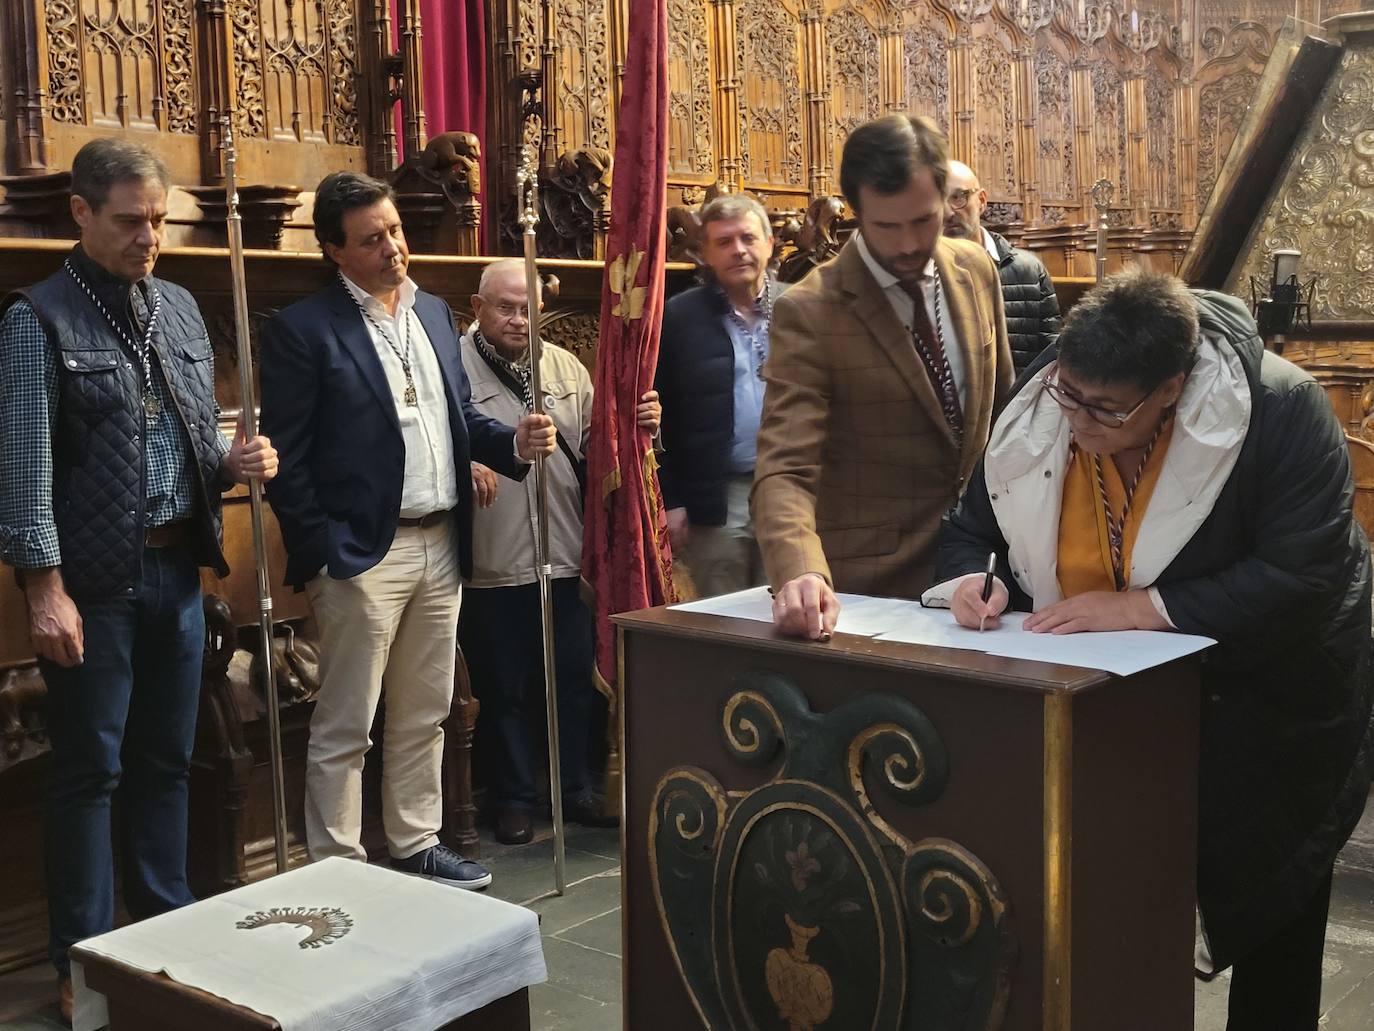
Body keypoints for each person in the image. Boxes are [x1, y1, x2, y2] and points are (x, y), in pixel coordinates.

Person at [930, 269, 1372, 1031]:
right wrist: (975, 579)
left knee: (1274, 900)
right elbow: (975, 521)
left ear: (1172, 388)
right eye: (1071, 395)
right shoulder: (1053, 387)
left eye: (1106, 409)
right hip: (1110, 708)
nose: (1077, 421)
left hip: (1270, 699)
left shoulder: (1280, 407)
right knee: (1115, 898)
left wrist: (1141, 608)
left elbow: (1303, 573)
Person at [0, 137, 278, 1020]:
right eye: (129, 221)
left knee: (165, 758)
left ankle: (161, 930)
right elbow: (23, 469)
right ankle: (80, 958)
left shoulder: (185, 311)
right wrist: (43, 588)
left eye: (158, 220)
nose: (148, 236)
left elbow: (189, 445)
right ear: (80, 213)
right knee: (90, 769)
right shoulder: (37, 318)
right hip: (93, 582)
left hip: (178, 570)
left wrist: (236, 461)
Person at [259, 173, 556, 889]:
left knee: (425, 708)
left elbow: (455, 419)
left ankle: (415, 839)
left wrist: (510, 442)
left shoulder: (431, 314)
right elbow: (287, 460)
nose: (393, 248)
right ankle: (336, 865)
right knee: (347, 721)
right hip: (363, 552)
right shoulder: (304, 330)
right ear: (334, 249)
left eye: (394, 230)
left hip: (440, 542)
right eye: (372, 239)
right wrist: (325, 550)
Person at [751, 113, 1014, 639]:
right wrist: (798, 567)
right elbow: (785, 466)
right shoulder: (812, 309)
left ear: (949, 200)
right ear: (856, 212)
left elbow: (1007, 412)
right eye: (886, 227)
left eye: (924, 220)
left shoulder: (976, 270)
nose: (908, 244)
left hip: (986, 581)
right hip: (869, 591)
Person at [457, 259, 660, 845]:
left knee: (573, 680)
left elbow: (605, 448)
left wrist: (643, 427)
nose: (520, 319)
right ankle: (515, 798)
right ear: (478, 307)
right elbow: (441, 441)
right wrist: (468, 462)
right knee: (508, 687)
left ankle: (575, 789)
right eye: (506, 307)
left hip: (568, 553)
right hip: (496, 558)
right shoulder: (457, 367)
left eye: (529, 308)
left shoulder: (566, 366)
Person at [657, 194, 778, 597]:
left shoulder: (804, 306)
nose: (738, 250)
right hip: (717, 497)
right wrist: (671, 500)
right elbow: (660, 418)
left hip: (794, 489)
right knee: (726, 622)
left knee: (795, 611)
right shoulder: (678, 317)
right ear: (705, 253)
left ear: (770, 243)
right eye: (724, 242)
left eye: (748, 238)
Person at [943, 159, 1061, 375]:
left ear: (981, 200)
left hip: (1016, 404)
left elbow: (1050, 360)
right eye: (937, 200)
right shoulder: (923, 273)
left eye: (958, 197)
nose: (948, 212)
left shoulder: (1029, 271)